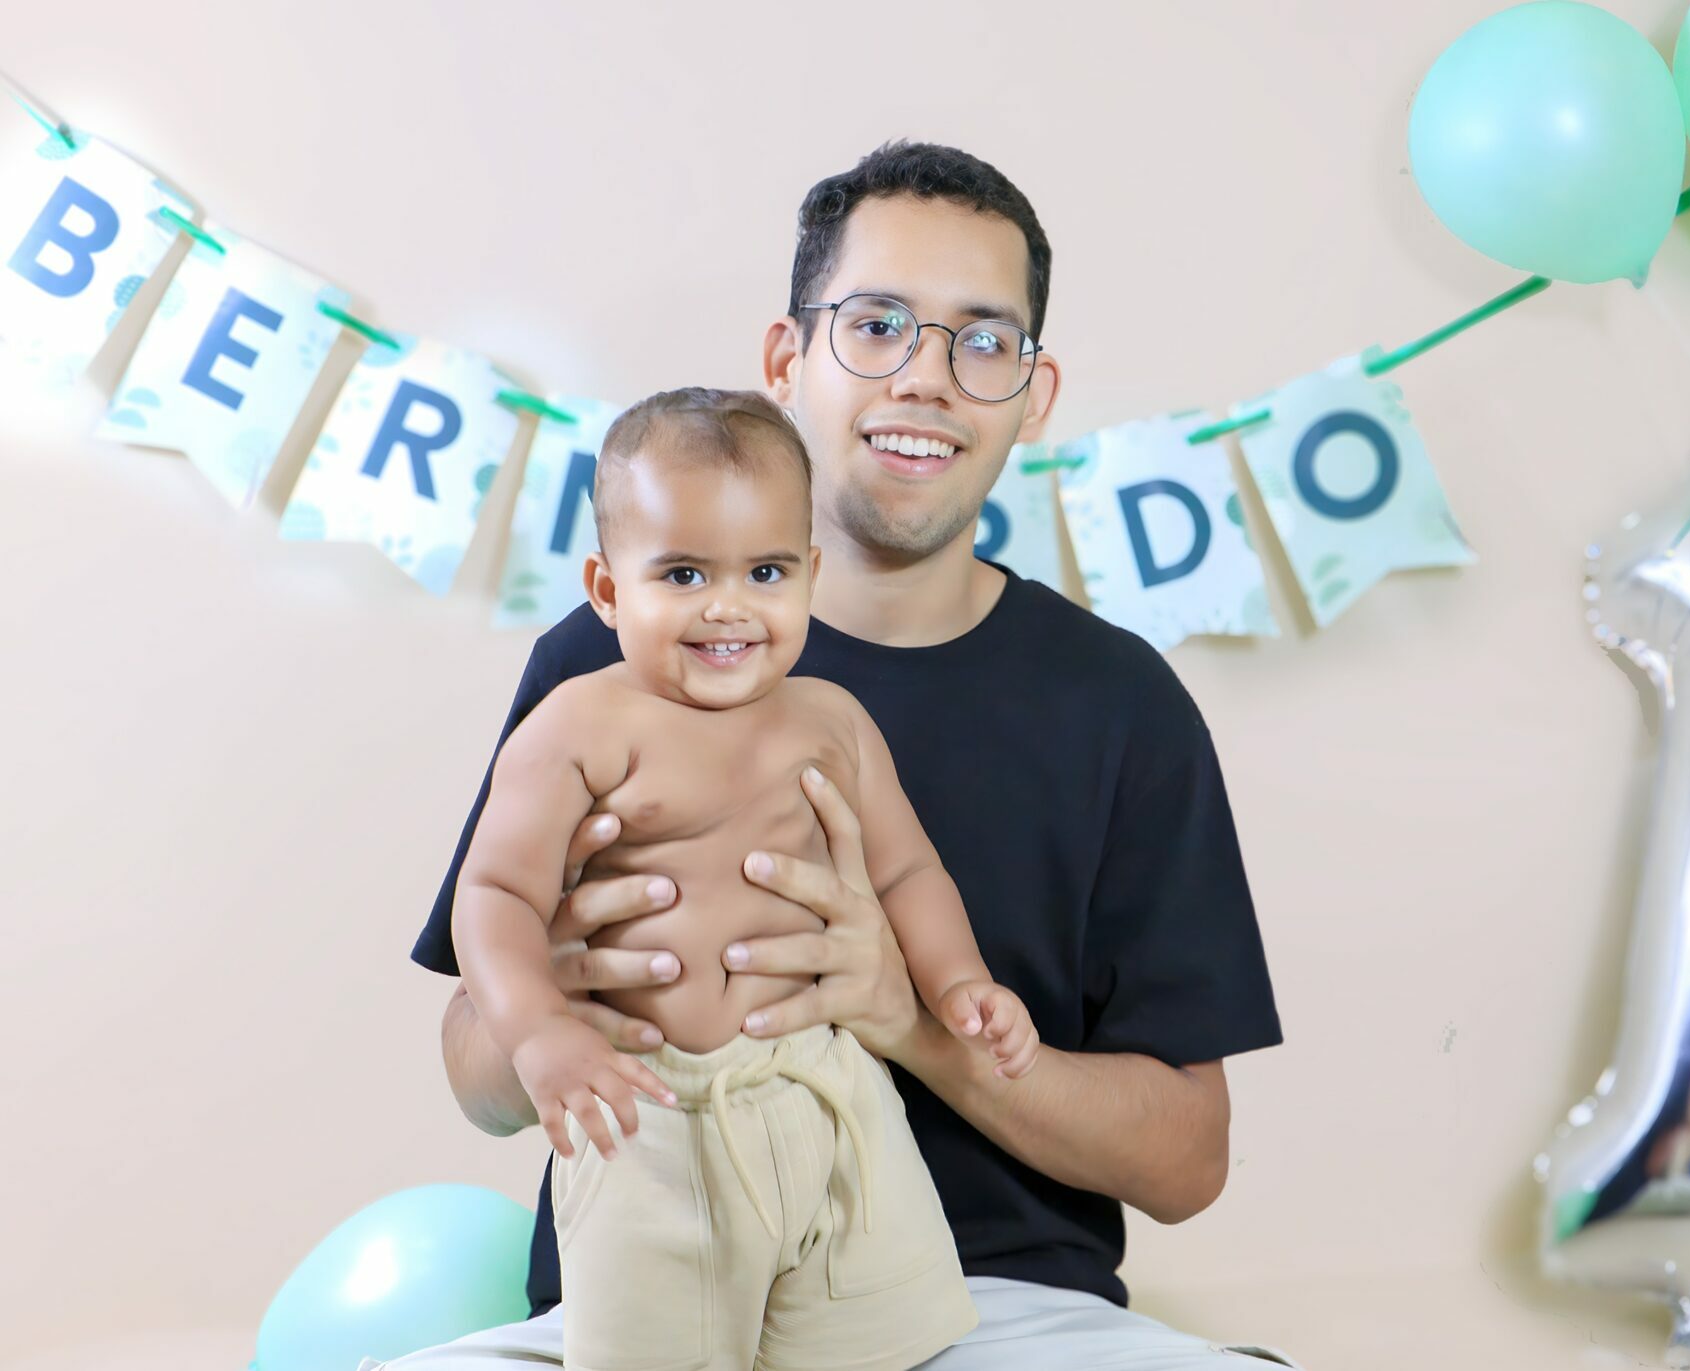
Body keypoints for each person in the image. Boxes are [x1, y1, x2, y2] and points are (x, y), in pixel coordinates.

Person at [371, 141, 1293, 1370]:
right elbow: (476, 1076)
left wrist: (914, 1019)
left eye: (983, 340)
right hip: (641, 1290)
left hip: (995, 1312)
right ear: (785, 361)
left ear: (1034, 393)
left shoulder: (1120, 704)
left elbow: (1188, 1162)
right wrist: (558, 999)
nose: (926, 378)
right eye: (877, 326)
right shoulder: (603, 674)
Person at [451, 384, 1037, 1371]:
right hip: (647, 1115)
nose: (728, 605)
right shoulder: (579, 725)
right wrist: (539, 1027)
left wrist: (960, 983)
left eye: (765, 571)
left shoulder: (832, 721)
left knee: (874, 1351)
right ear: (607, 589)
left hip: (824, 1095)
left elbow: (908, 872)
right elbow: (495, 895)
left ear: (810, 575)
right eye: (682, 573)